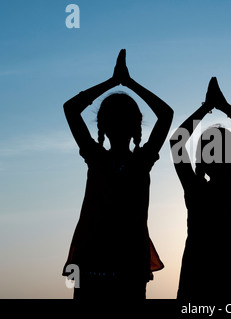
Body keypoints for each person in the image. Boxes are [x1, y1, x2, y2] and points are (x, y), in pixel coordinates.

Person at [62, 49, 173, 300]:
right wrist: (124, 82)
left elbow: (71, 108)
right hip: (113, 263)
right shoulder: (131, 160)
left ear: (102, 127)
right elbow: (166, 115)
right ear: (137, 127)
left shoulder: (100, 158)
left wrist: (117, 81)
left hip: (109, 263)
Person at [170, 77, 231, 300]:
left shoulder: (196, 190)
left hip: (197, 280)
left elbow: (176, 141)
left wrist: (206, 107)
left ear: (201, 161)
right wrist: (224, 107)